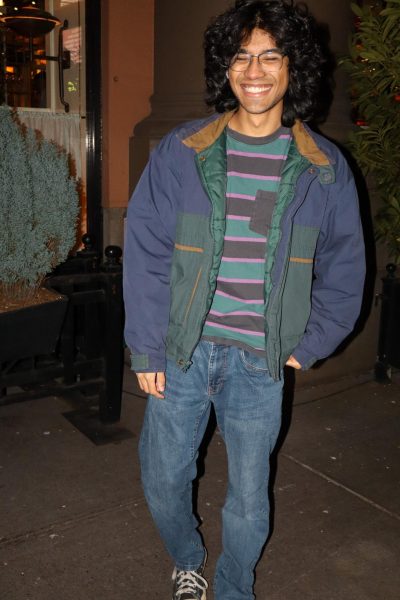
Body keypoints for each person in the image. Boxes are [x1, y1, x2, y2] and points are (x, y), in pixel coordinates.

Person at [123, 1, 366, 598]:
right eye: (240, 56)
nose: (253, 70)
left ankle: (234, 587)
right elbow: (147, 250)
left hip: (261, 360)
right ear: (225, 68)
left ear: (292, 69)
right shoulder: (184, 151)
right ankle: (187, 558)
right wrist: (148, 348)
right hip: (183, 351)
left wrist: (305, 347)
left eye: (269, 56)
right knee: (162, 479)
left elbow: (345, 271)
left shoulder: (323, 168)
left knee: (249, 497)